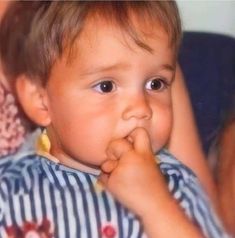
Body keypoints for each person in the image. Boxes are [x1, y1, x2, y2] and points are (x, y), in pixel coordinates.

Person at [0, 2, 228, 238]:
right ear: (41, 101)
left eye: (156, 84)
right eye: (106, 86)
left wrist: (156, 207)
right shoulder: (10, 189)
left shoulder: (175, 186)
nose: (140, 109)